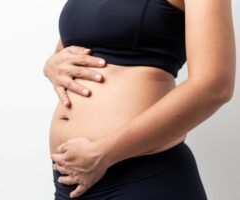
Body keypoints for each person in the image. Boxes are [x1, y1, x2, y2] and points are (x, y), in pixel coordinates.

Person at [43, 0, 236, 199]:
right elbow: (73, 46)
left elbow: (214, 85)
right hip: (70, 179)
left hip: (143, 176)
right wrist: (51, 64)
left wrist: (103, 153)